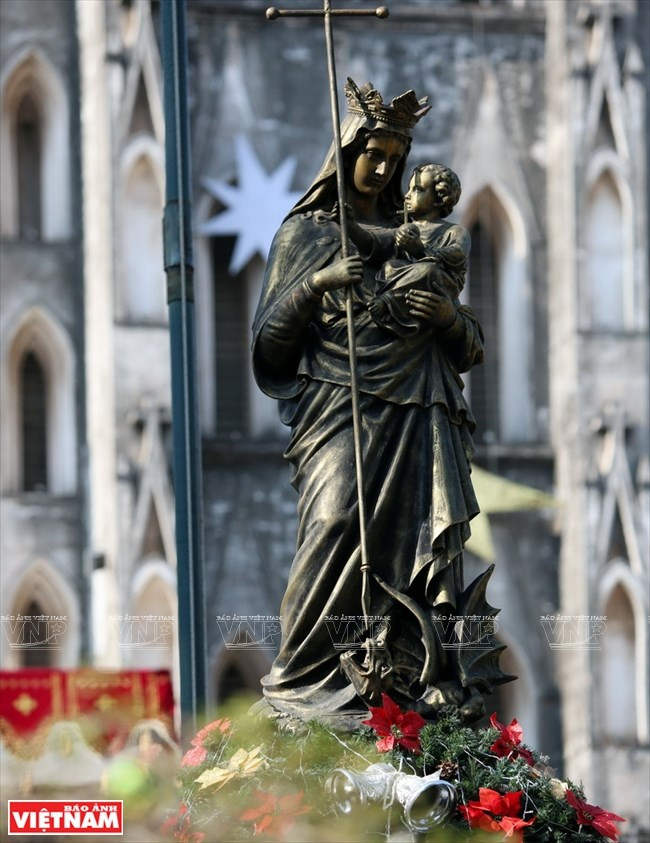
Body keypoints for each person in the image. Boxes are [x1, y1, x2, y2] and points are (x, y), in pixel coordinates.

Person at [252, 80, 508, 725]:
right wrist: (316, 283)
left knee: (412, 548)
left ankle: (395, 683)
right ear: (346, 152)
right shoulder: (308, 233)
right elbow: (271, 345)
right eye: (374, 152)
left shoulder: (419, 236)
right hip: (340, 405)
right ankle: (304, 683)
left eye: (398, 155)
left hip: (419, 407)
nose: (386, 167)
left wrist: (448, 319)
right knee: (337, 520)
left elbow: (469, 342)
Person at [366, 163, 470, 337]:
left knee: (427, 270)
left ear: (439, 198)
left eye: (417, 189)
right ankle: (395, 306)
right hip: (412, 288)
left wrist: (421, 251)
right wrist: (351, 225)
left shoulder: (456, 231)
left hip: (438, 282)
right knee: (390, 267)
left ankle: (387, 301)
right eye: (408, 189)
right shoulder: (405, 228)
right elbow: (376, 242)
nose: (406, 196)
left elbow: (457, 253)